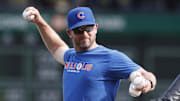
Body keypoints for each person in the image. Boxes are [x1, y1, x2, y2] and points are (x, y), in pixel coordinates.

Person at [22, 6, 157, 101]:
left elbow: (147, 75)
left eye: (88, 28)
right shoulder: (71, 57)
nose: (85, 34)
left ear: (96, 28)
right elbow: (56, 47)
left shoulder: (110, 57)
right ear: (70, 33)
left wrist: (147, 84)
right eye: (79, 30)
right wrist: (39, 22)